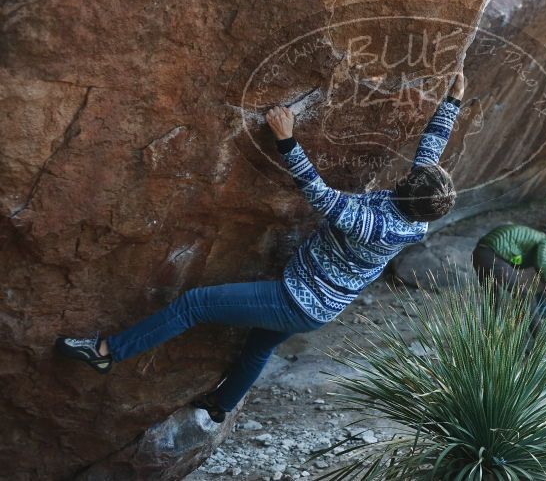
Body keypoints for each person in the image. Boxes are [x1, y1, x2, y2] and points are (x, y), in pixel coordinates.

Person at [55, 70, 465, 423]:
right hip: (317, 309)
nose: (409, 175)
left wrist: (287, 140)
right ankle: (221, 405)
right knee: (257, 347)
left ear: (409, 194)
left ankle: (107, 351)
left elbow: (320, 195)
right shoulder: (420, 211)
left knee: (195, 304)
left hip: (295, 301)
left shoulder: (376, 225)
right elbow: (430, 151)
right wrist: (451, 102)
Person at [471, 225, 546, 316]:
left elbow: (516, 260)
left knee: (492, 299)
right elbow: (542, 259)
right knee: (525, 297)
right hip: (492, 254)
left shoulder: (533, 240)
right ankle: (538, 333)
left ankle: (489, 331)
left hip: (479, 253)